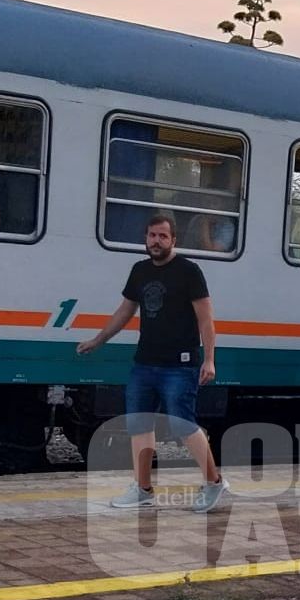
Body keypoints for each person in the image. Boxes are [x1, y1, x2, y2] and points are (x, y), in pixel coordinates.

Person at [75, 214, 226, 512]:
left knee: (183, 425)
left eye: (162, 236)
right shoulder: (139, 271)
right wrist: (99, 340)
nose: (156, 241)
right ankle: (142, 488)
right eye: (152, 236)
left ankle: (214, 482)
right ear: (146, 238)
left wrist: (209, 359)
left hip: (180, 365)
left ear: (173, 240)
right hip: (144, 363)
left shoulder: (189, 271)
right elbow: (125, 311)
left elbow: (206, 320)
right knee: (139, 424)